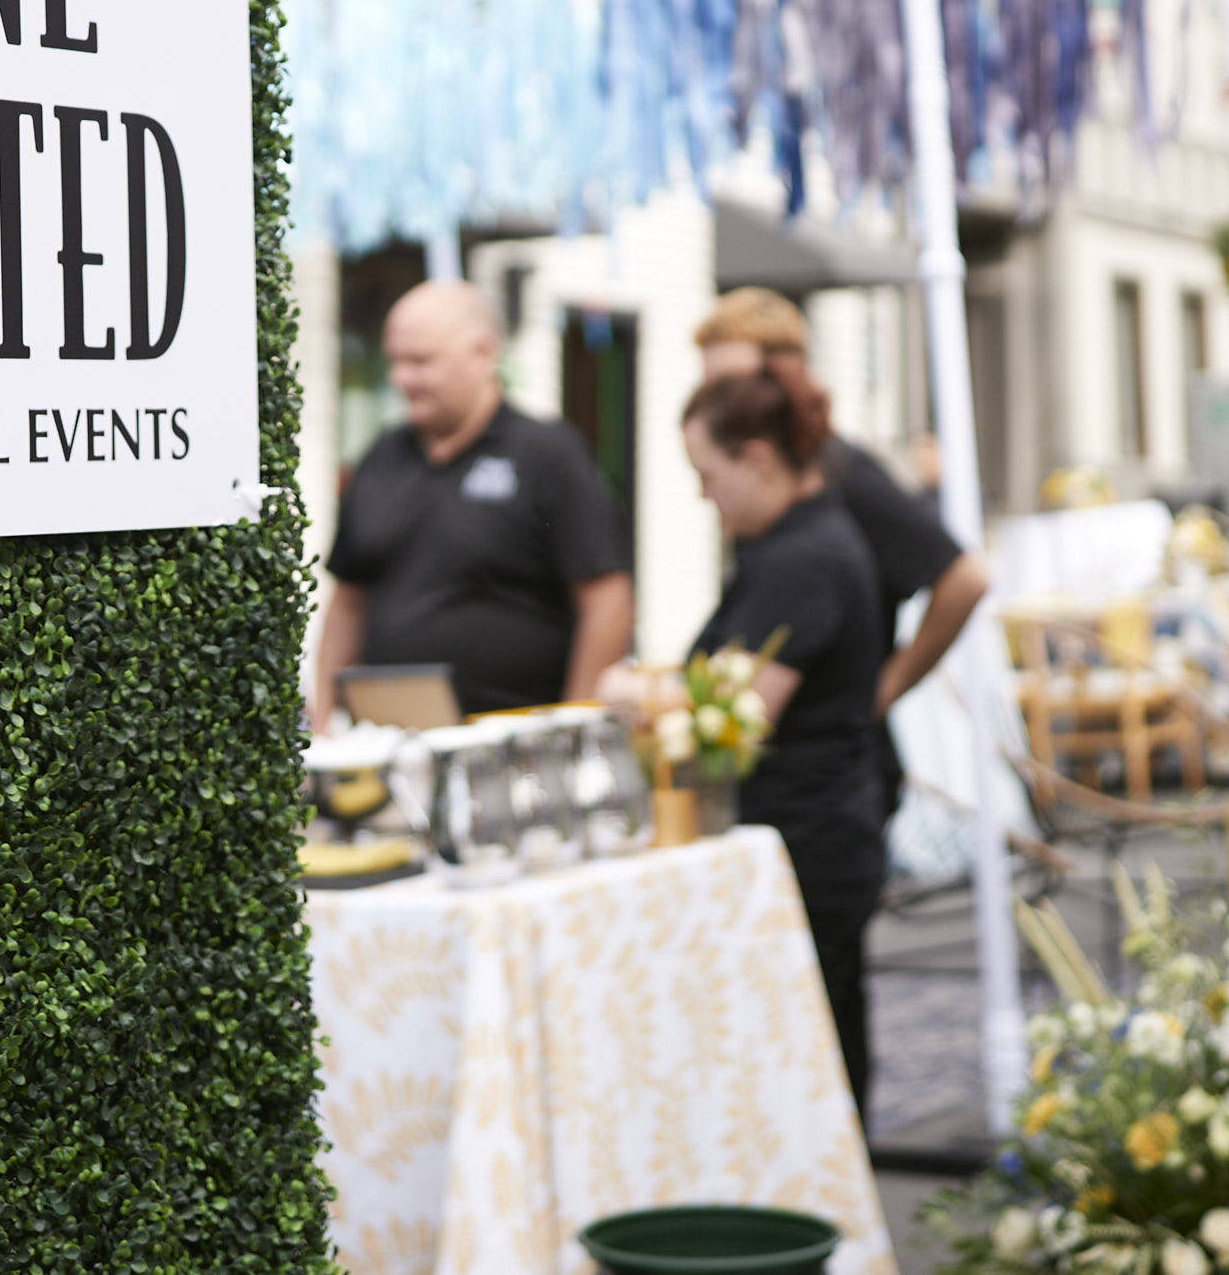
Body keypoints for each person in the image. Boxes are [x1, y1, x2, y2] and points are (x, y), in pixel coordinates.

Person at [679, 366, 888, 1112]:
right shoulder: (802, 543)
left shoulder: (803, 560)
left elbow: (734, 713)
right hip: (821, 826)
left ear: (758, 460)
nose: (704, 496)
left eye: (708, 475)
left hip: (808, 837)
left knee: (806, 1052)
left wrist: (636, 694)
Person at [692, 290, 988, 783]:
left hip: (832, 772)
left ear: (781, 376)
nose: (714, 403)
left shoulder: (837, 472)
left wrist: (883, 689)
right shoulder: (775, 487)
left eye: (729, 385)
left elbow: (966, 578)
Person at [316, 282, 634, 724]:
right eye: (394, 361)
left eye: (419, 361)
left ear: (481, 354)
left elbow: (607, 600)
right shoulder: (380, 457)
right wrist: (322, 720)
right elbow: (348, 599)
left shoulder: (548, 455)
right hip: (387, 738)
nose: (399, 379)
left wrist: (573, 724)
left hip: (510, 745)